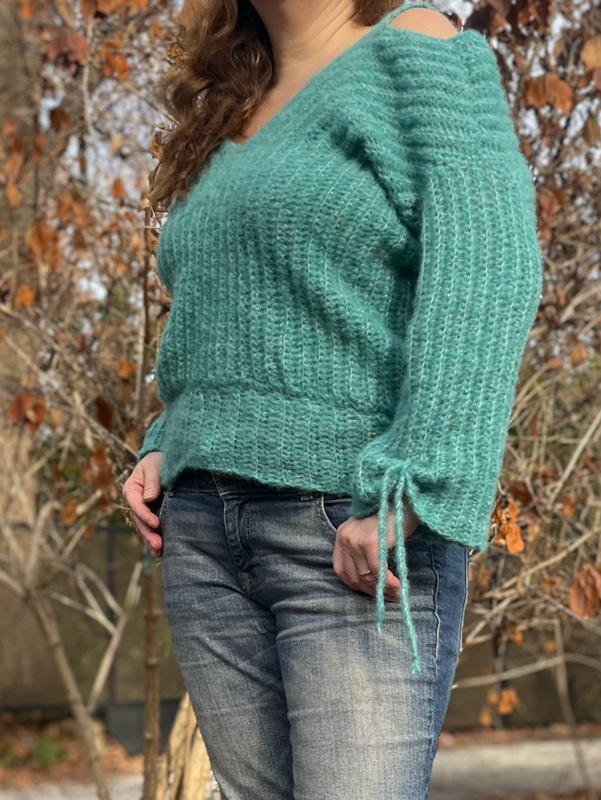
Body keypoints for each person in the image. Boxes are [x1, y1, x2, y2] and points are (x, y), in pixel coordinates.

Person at [122, 1, 542, 797]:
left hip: (347, 529)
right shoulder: (232, 102)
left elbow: (490, 264)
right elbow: (235, 306)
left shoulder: (414, 48)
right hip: (202, 532)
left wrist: (413, 486)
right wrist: (167, 437)